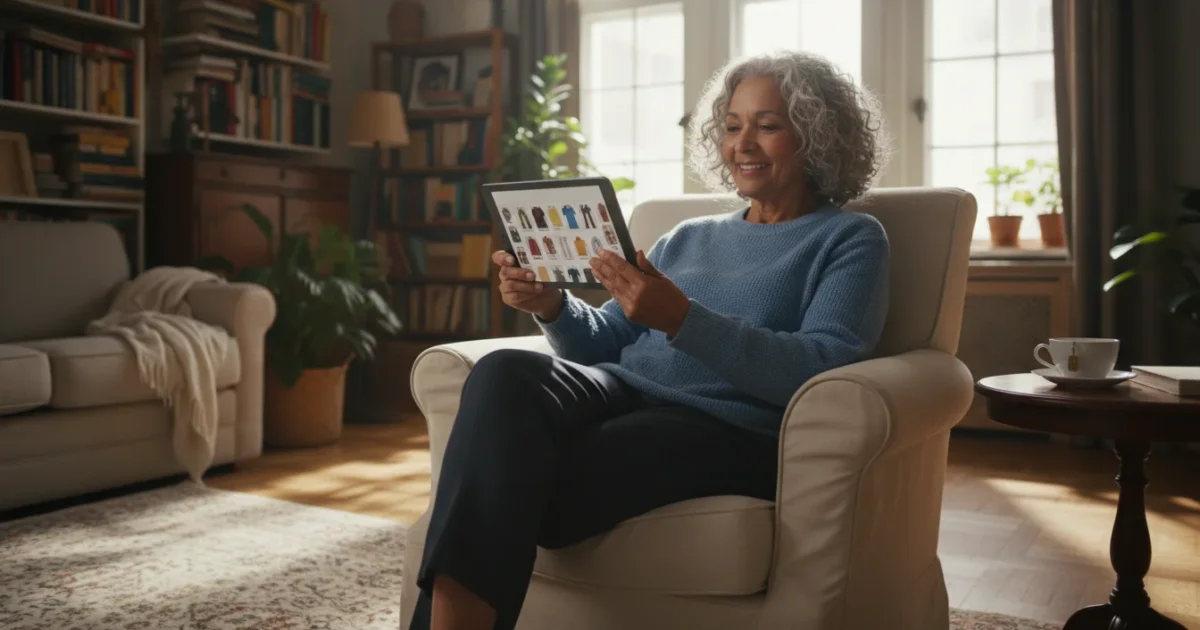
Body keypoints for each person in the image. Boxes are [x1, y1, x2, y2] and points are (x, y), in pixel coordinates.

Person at [410, 50, 891, 630]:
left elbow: (822, 366)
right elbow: (608, 339)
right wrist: (554, 306)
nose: (743, 143)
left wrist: (684, 320)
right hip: (620, 392)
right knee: (505, 372)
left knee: (507, 478)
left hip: (724, 425)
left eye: (768, 126)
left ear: (817, 136)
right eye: (732, 126)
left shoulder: (850, 238)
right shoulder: (689, 236)